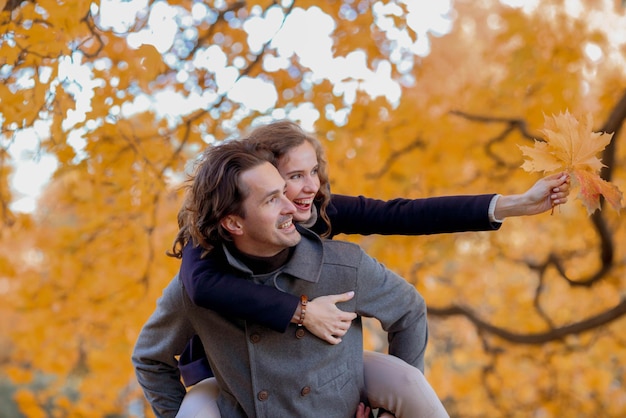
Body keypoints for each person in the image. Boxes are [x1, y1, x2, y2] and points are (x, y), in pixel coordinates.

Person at [171, 121, 570, 417]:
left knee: (404, 384)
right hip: (230, 369)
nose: (311, 186)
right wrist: (303, 312)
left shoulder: (317, 212)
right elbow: (201, 285)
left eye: (314, 172)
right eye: (295, 177)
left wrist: (514, 204)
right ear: (266, 180)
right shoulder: (221, 222)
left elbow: (406, 214)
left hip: (311, 364)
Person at [132, 139, 434, 417]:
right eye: (272, 200)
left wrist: (388, 414)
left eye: (283, 191)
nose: (293, 207)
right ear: (234, 223)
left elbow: (409, 310)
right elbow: (150, 358)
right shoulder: (199, 286)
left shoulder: (343, 265)